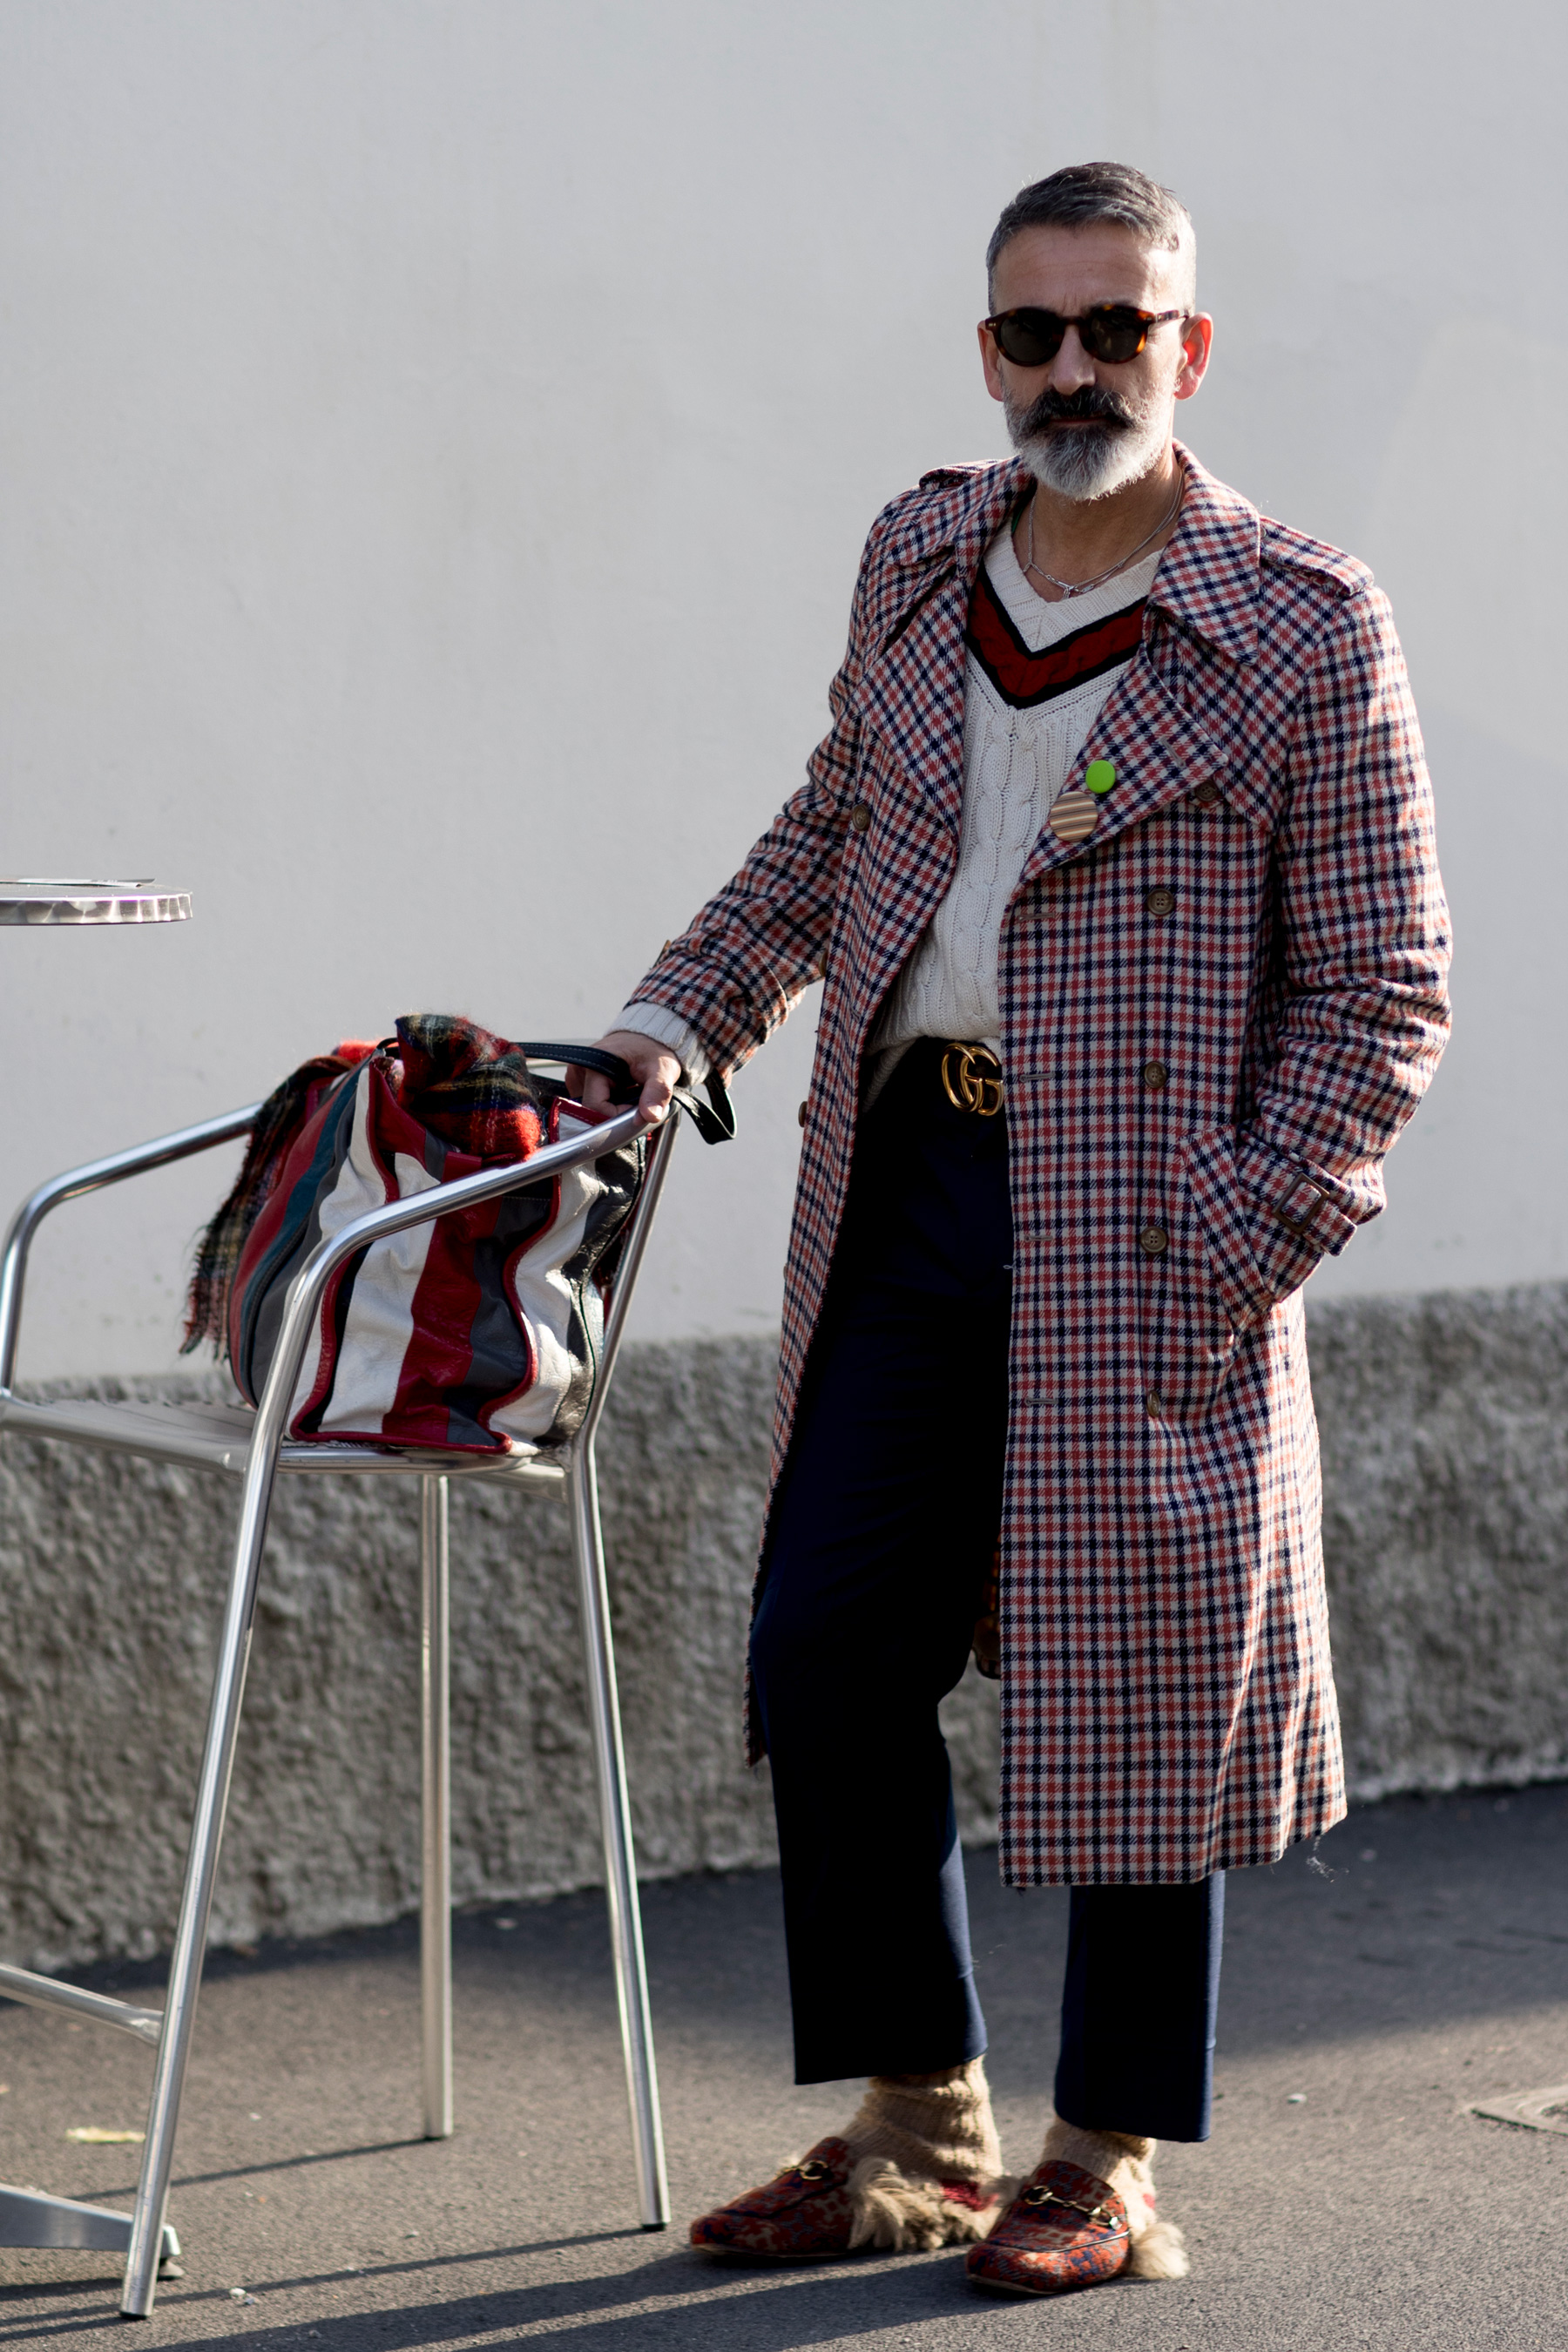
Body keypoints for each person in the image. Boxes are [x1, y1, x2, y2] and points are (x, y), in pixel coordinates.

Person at [571, 160, 1450, 2298]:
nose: (1075, 370)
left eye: (1116, 328)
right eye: (1034, 332)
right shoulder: (916, 553)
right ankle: (920, 2122)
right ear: (988, 349)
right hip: (908, 1179)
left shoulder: (1301, 618)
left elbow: (1384, 985)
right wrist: (673, 1016)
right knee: (826, 1649)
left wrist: (1236, 1233)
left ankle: (1108, 2156)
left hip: (1148, 1214)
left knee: (1145, 1679)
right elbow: (835, 825)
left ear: (1188, 346)